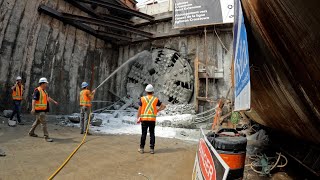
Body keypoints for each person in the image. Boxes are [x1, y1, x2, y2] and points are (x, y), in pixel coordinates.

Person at [137, 84, 166, 154]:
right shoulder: (155, 99)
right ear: (152, 91)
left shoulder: (142, 99)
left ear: (146, 91)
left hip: (144, 119)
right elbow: (164, 106)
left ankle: (141, 149)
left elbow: (139, 109)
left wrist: (138, 117)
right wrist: (158, 110)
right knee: (152, 134)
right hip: (152, 120)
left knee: (143, 134)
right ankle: (152, 149)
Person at [28, 77, 58, 142]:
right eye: (46, 83)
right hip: (39, 111)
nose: (47, 84)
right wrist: (33, 109)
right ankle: (46, 137)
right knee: (44, 123)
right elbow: (33, 100)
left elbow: (48, 98)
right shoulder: (37, 90)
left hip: (42, 110)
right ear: (42, 83)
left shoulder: (44, 91)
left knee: (37, 122)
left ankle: (31, 132)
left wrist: (54, 101)